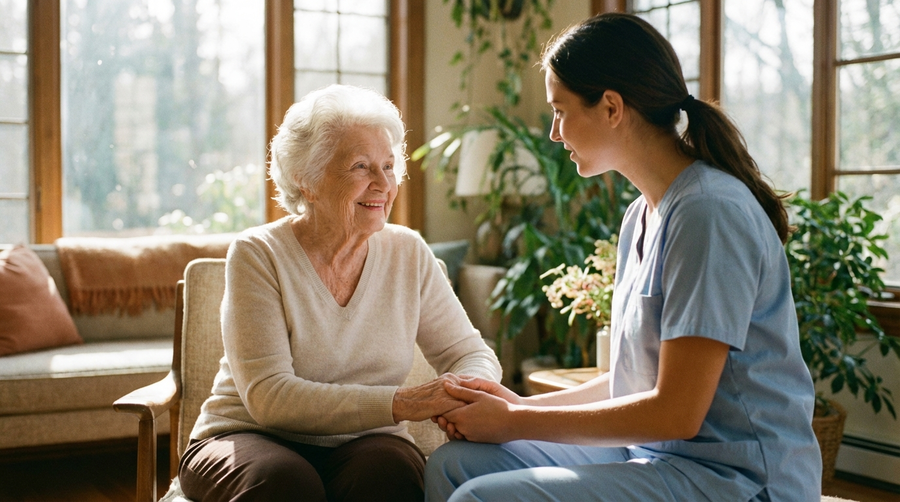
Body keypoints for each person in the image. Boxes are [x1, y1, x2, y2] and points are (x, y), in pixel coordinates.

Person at [425, 13, 821, 502]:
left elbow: (677, 412)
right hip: (656, 454)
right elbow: (631, 379)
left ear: (611, 106)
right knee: (454, 466)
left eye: (560, 110)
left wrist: (516, 420)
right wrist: (516, 405)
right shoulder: (640, 214)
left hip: (736, 479)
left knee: (478, 499)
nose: (553, 132)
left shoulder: (708, 212)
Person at [178, 84, 502, 502]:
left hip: (366, 441)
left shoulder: (408, 252)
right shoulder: (258, 253)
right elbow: (270, 397)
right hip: (250, 436)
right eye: (361, 167)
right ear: (305, 180)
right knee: (286, 484)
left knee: (391, 474)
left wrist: (464, 393)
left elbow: (469, 352)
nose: (383, 184)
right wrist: (405, 403)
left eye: (389, 166)